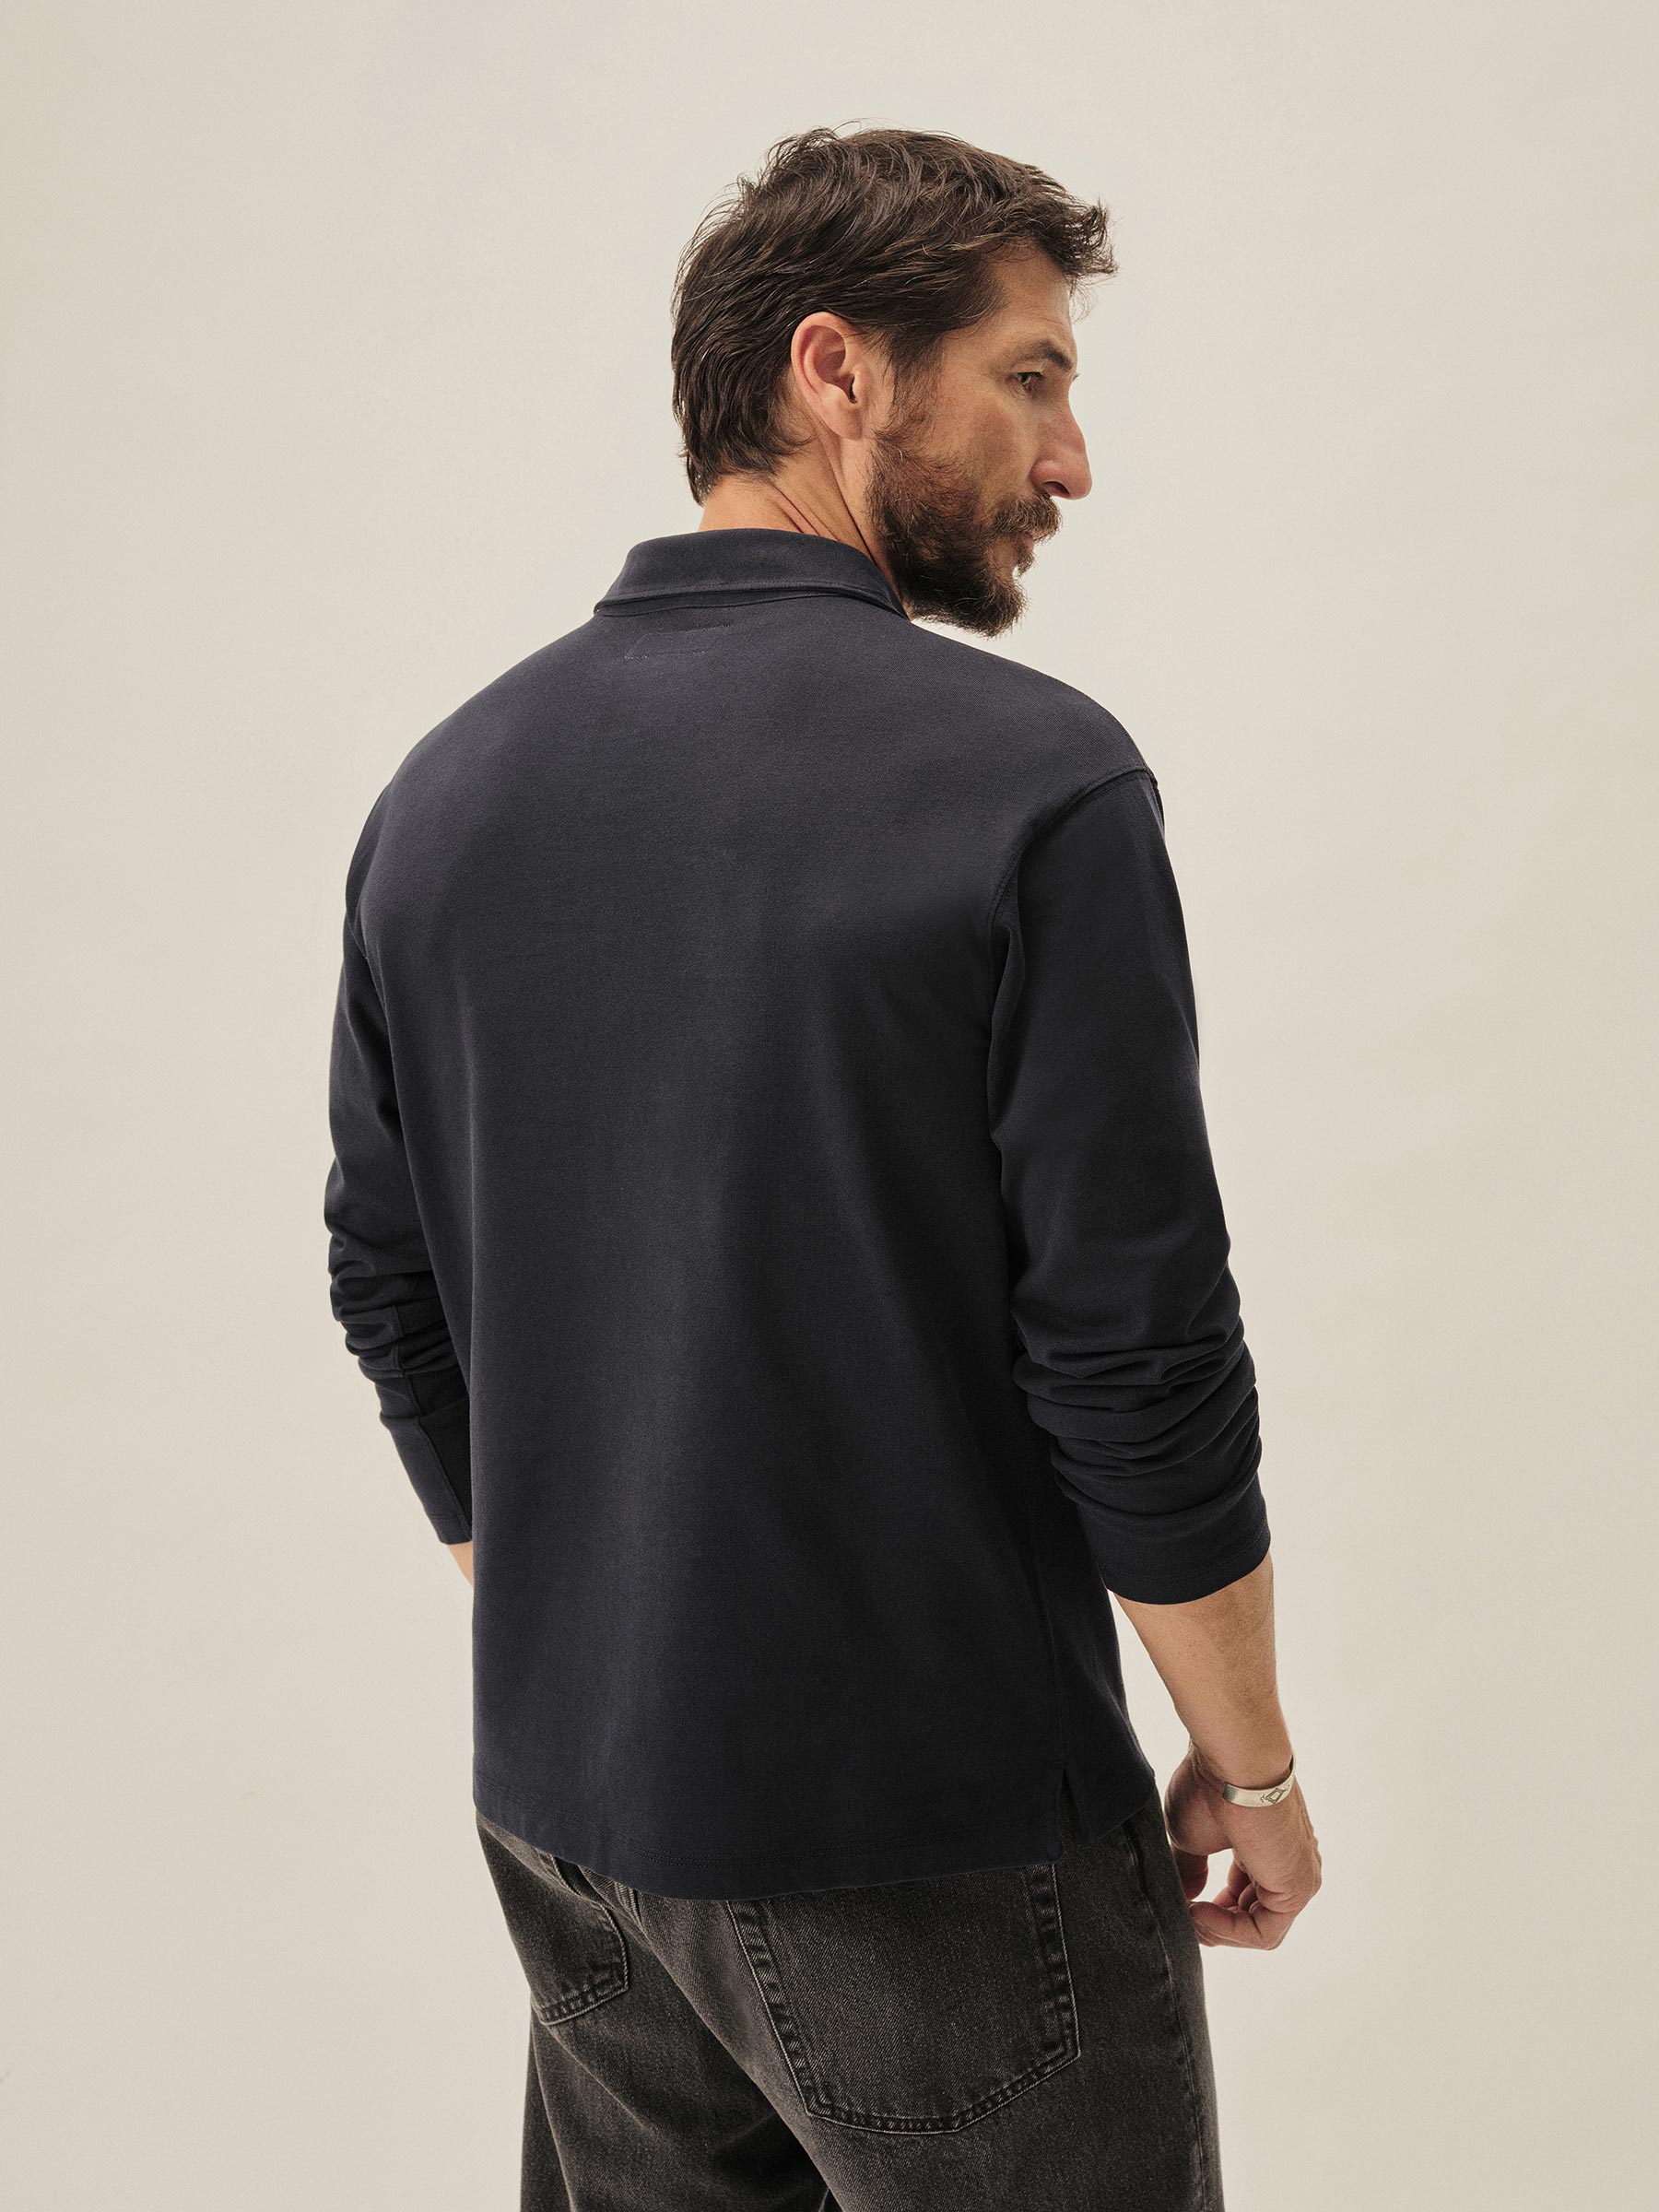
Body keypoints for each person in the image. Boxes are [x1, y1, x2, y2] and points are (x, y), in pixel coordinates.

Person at [324, 123, 1321, 2211]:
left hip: (580, 1823)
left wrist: (600, 1609)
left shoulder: (446, 795)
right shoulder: (1034, 783)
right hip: (938, 1833)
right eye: (1031, 378)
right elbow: (1132, 1349)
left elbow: (388, 1281)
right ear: (837, 367)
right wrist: (1252, 1763)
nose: (1070, 461)